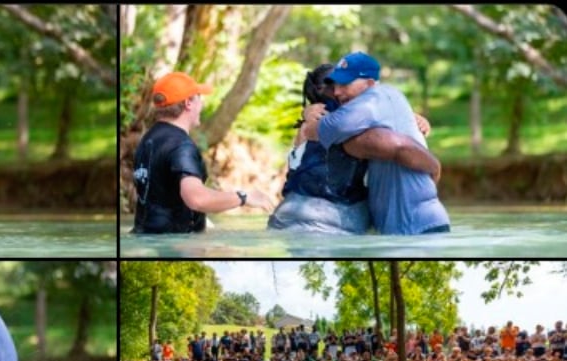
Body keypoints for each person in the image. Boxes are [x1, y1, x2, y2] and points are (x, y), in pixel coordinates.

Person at [271, 62, 441, 234]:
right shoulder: (345, 126)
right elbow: (396, 146)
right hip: (326, 222)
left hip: (286, 214)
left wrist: (410, 118)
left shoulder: (308, 125)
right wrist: (434, 168)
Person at [131, 71, 273, 234]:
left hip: (146, 237)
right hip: (175, 247)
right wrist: (243, 197)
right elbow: (196, 199)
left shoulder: (147, 140)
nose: (202, 104)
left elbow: (162, 198)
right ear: (188, 103)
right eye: (199, 97)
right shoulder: (181, 145)